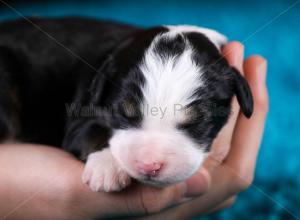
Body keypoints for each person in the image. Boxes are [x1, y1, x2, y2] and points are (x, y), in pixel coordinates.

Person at [0, 41, 268, 220]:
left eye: (192, 124)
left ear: (239, 95)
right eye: (129, 118)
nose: (150, 161)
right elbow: (81, 128)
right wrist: (104, 151)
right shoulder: (119, 70)